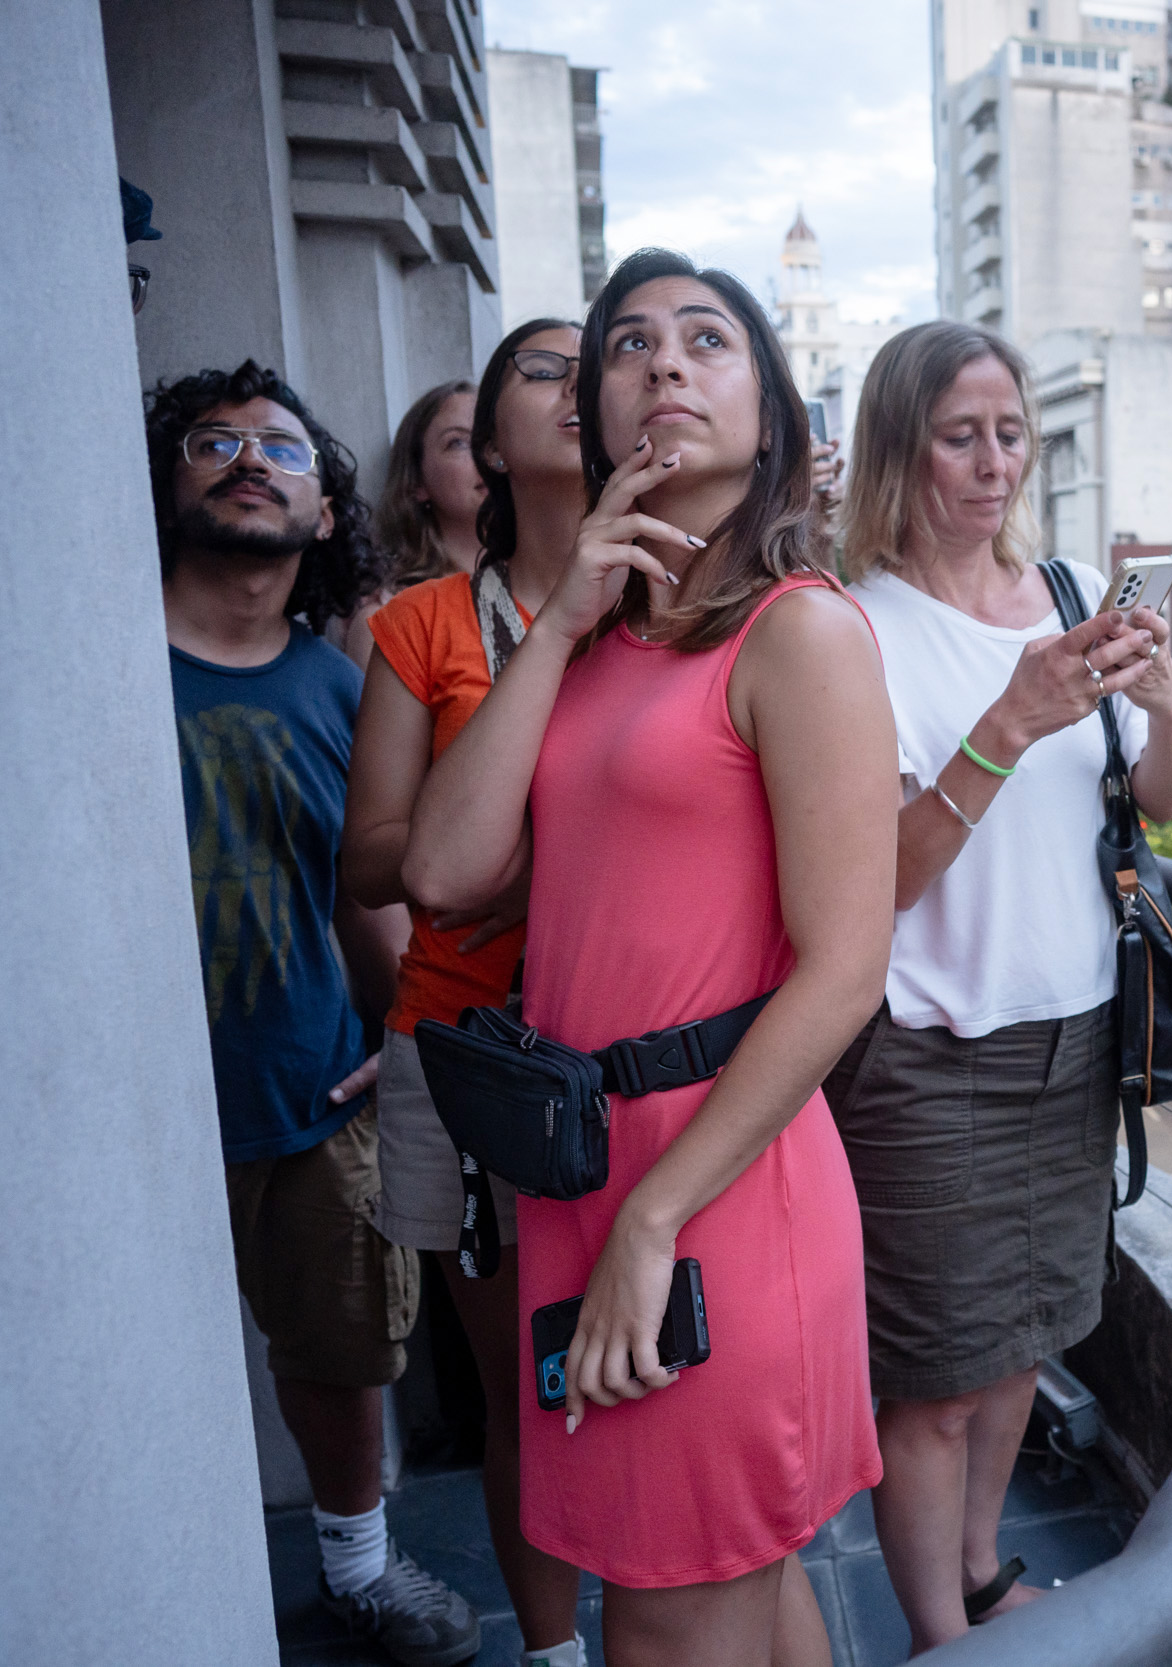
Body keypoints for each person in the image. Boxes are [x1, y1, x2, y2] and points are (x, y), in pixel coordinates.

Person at [404, 248, 893, 1666]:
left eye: (706, 339)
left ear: (774, 418)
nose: (662, 362)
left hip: (713, 1183)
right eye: (627, 345)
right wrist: (555, 621)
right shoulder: (595, 641)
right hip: (586, 1167)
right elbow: (441, 870)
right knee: (717, 1582)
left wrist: (656, 1213)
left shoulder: (799, 634)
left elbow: (844, 966)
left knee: (674, 1612)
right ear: (596, 417)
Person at [826, 319, 1172, 1654]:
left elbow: (1152, 795)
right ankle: (937, 1633)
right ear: (899, 448)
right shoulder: (855, 629)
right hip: (931, 1049)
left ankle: (979, 1572)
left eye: (1011, 433)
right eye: (958, 435)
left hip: (1074, 1034)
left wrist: (1168, 704)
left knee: (1025, 1340)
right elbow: (884, 876)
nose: (992, 463)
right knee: (931, 1380)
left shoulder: (1070, 583)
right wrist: (1006, 721)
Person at [151, 360, 479, 1666]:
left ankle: (357, 1565)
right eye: (214, 441)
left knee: (346, 1349)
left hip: (309, 1088)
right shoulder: (83, 663)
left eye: (282, 447)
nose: (249, 458)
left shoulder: (341, 690)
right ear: (165, 484)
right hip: (121, 1113)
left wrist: (399, 1042)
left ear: (327, 512)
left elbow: (370, 892)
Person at [344, 320, 591, 1666]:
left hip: (639, 1044)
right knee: (527, 1389)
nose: (576, 381)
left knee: (673, 1368)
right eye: (539, 370)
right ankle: (553, 1652)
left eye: (587, 362)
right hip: (470, 1052)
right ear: (491, 443)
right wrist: (517, 853)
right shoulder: (423, 623)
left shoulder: (672, 602)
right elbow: (378, 857)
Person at [373, 378, 487, 589]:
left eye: (494, 438)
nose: (486, 455)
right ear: (416, 481)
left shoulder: (555, 580)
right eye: (458, 442)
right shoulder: (393, 611)